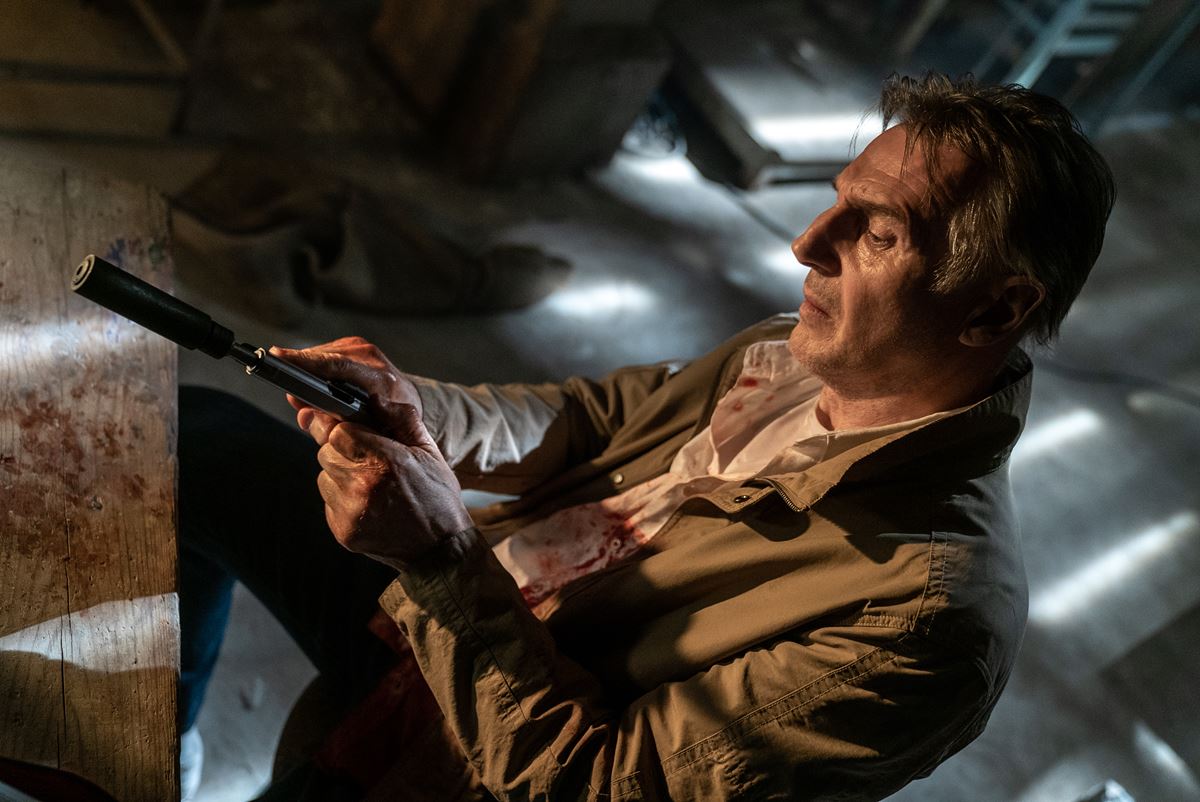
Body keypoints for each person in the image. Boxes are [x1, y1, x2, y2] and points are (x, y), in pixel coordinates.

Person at [178, 72, 1114, 801]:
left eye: (878, 234)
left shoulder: (928, 622)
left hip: (491, 744)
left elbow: (597, 784)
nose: (806, 244)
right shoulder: (791, 356)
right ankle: (168, 723)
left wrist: (436, 557)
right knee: (198, 433)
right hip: (459, 602)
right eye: (836, 200)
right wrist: (410, 413)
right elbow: (591, 421)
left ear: (995, 309)